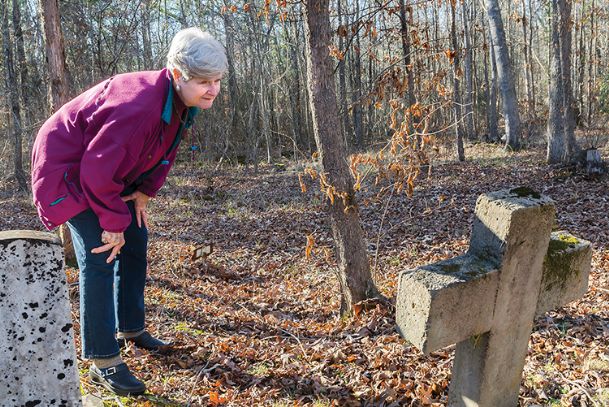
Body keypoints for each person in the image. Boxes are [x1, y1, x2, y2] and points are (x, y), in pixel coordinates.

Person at [31, 27, 227, 396]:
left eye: (217, 80)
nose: (213, 89)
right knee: (101, 253)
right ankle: (102, 358)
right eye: (204, 81)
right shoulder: (139, 107)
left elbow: (164, 151)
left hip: (104, 171)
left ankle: (131, 328)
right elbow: (95, 170)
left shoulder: (181, 102)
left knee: (136, 239)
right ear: (177, 74)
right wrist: (111, 222)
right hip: (67, 171)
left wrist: (143, 193)